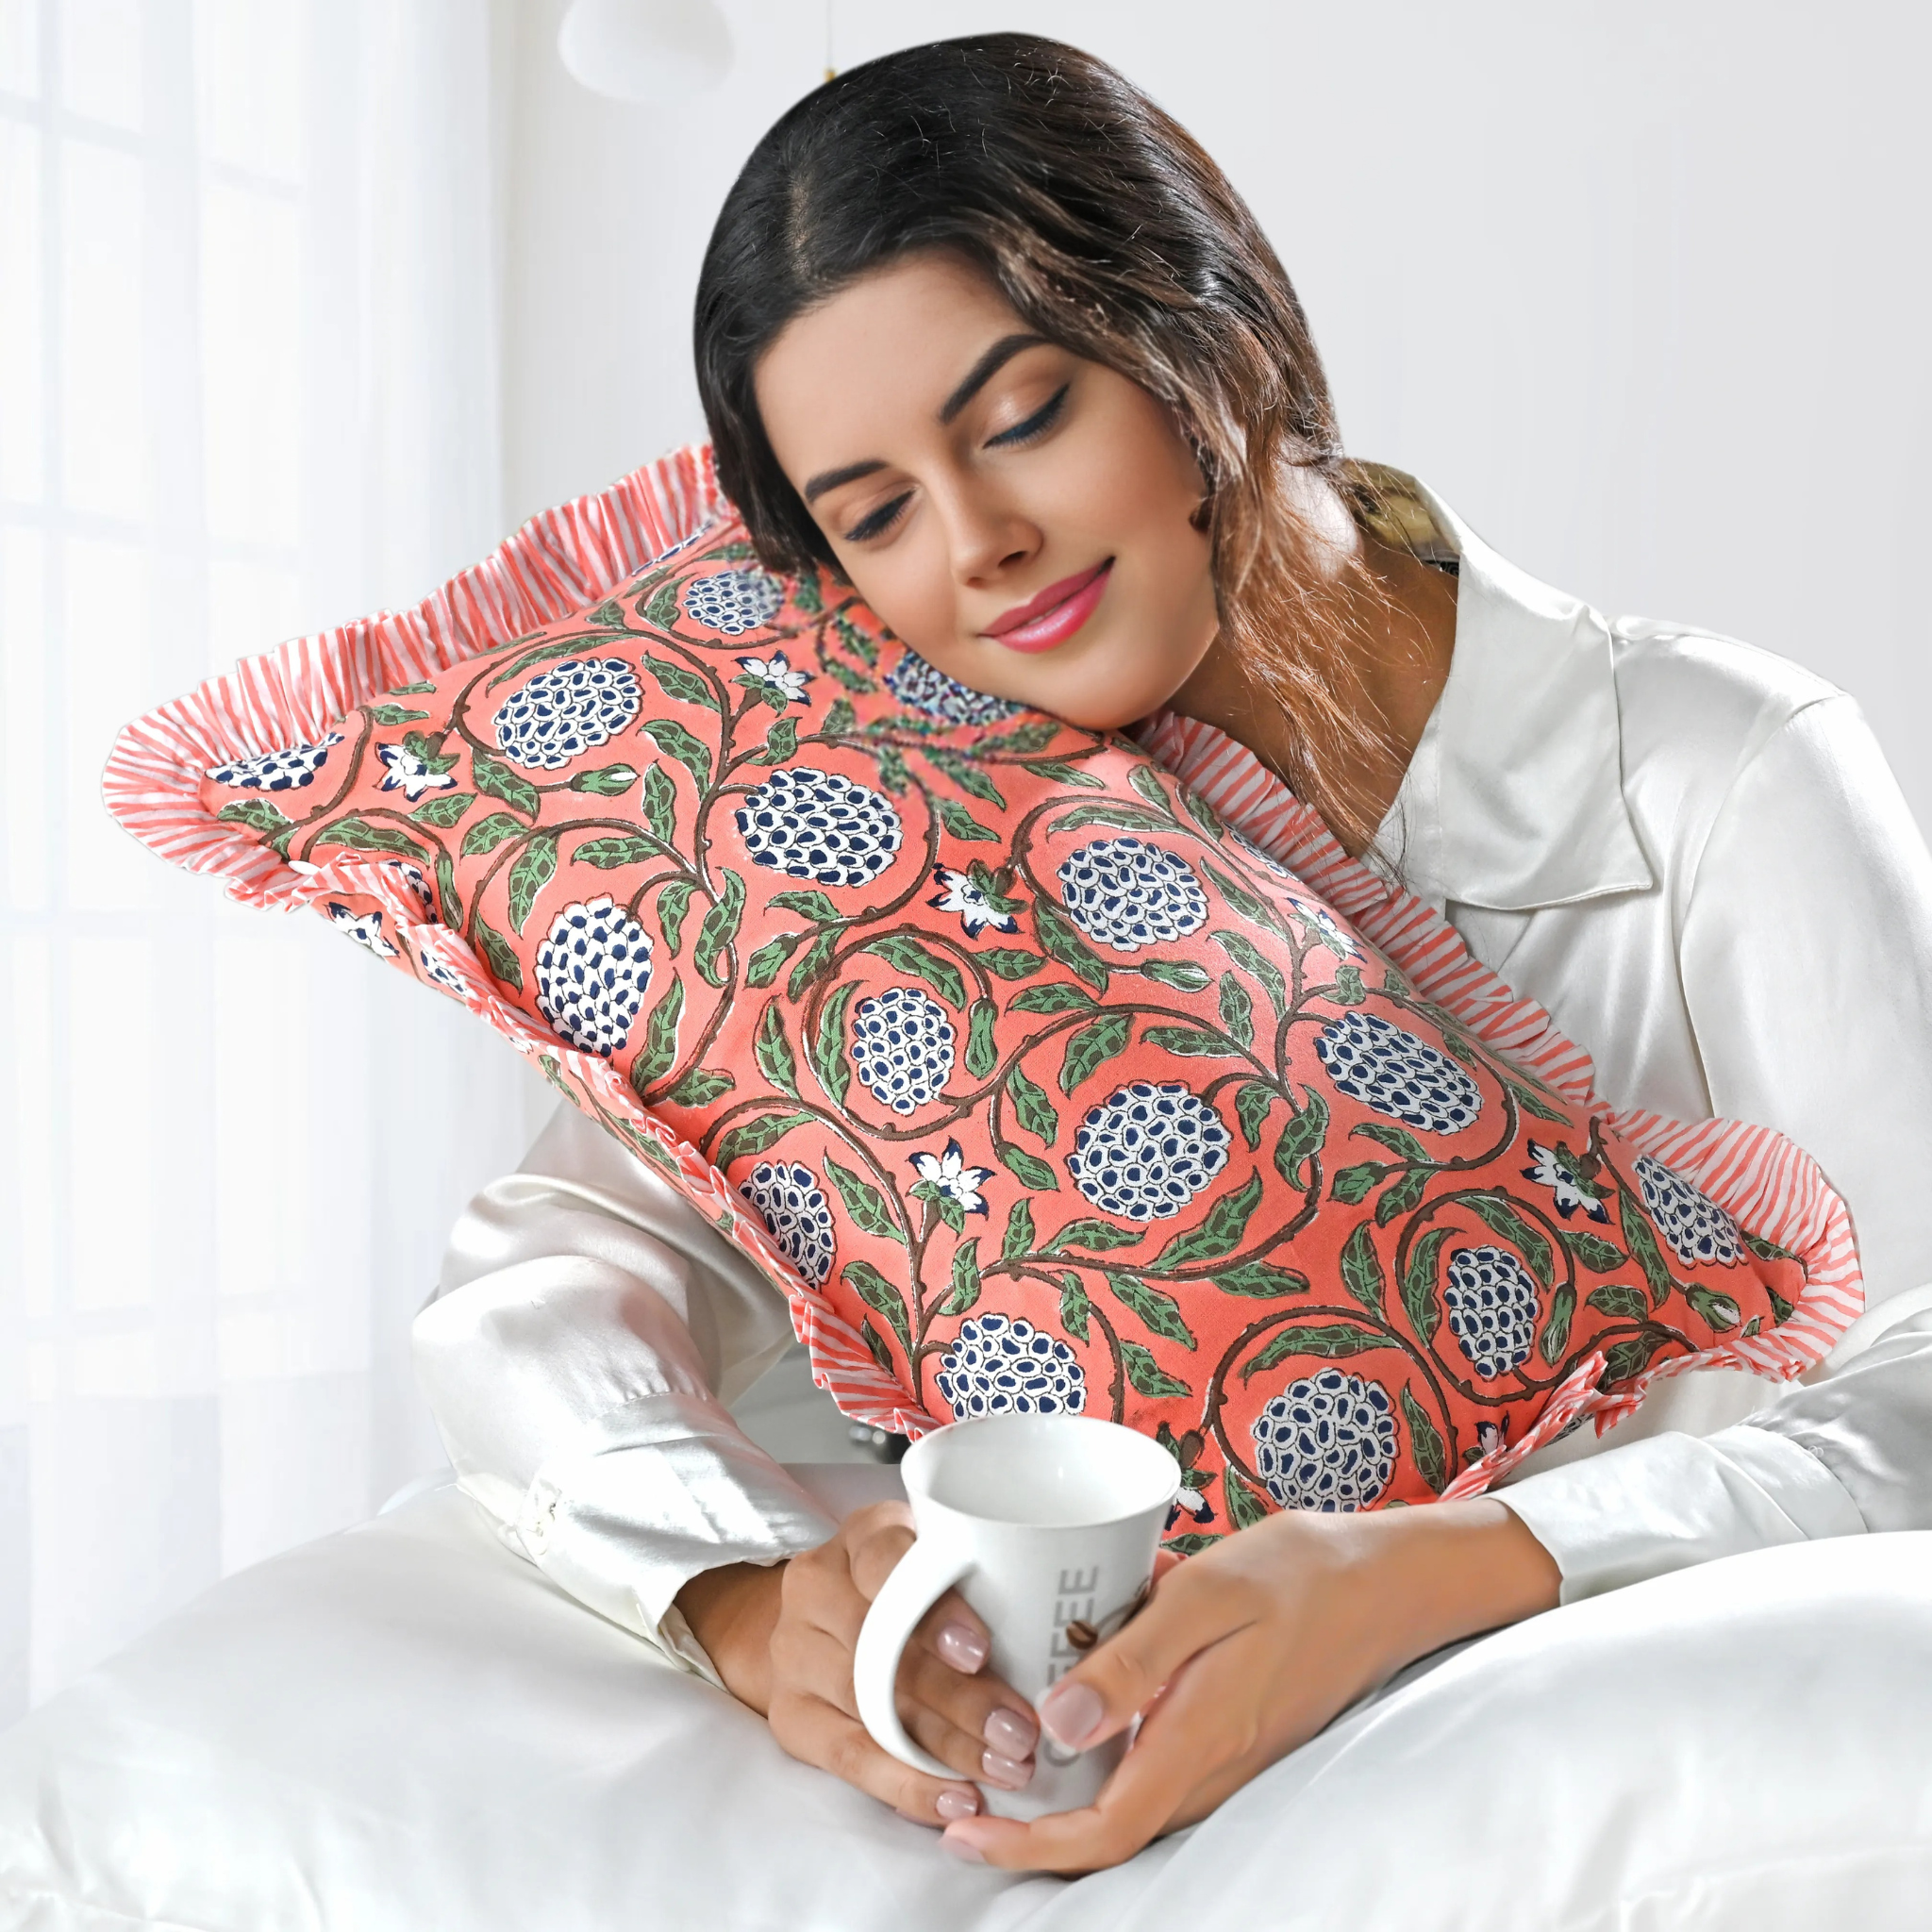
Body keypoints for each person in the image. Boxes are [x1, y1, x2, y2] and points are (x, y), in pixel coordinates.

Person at [414, 34, 1932, 1874]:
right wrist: (743, 1597)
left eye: (1024, 414)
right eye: (874, 513)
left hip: (1641, 1767)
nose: (977, 546)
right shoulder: (908, 852)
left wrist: (1430, 1569)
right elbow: (538, 1285)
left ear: (1212, 339)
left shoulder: (1716, 772)